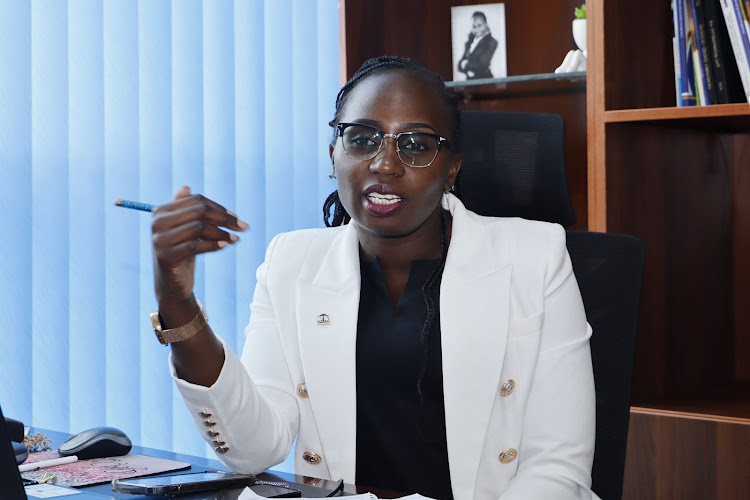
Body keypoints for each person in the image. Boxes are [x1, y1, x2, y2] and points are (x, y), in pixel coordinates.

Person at [151, 56, 596, 499]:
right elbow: (253, 449)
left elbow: (558, 472)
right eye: (363, 138)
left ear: (452, 169)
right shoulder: (291, 263)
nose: (386, 164)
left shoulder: (536, 259)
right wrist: (176, 300)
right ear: (333, 155)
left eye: (416, 145)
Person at [457, 11, 499, 80]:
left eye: (479, 26)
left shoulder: (492, 42)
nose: (477, 29)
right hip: (470, 84)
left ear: (485, 25)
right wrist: (467, 67)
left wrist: (465, 65)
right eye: (474, 26)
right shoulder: (469, 42)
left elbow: (482, 66)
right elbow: (459, 65)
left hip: (485, 82)